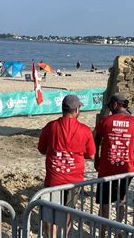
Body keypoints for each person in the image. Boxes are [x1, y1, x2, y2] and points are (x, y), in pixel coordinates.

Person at [38, 95, 95, 237]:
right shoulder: (85, 130)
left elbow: (41, 148)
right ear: (76, 110)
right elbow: (91, 154)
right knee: (68, 212)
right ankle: (64, 234)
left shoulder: (51, 126)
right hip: (73, 180)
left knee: (50, 215)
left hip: (54, 180)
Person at [94, 92, 134, 233]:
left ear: (115, 104)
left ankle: (103, 234)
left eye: (110, 106)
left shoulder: (105, 121)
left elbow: (96, 142)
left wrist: (97, 159)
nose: (109, 108)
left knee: (104, 205)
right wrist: (131, 151)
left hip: (106, 168)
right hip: (126, 168)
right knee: (121, 202)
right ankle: (118, 231)